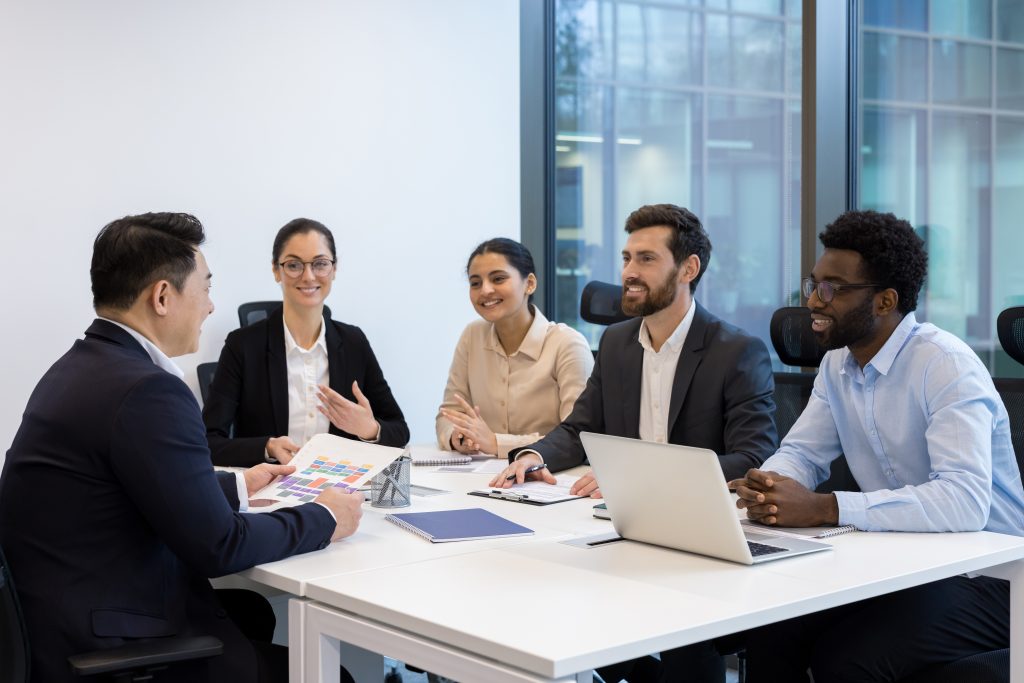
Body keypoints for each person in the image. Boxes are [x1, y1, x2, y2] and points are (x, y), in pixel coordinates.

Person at [0, 212, 364, 683]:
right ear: (163, 297)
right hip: (102, 644)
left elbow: (131, 482)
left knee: (251, 612)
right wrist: (327, 517)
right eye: (206, 288)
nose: (212, 307)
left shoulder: (81, 365)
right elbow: (221, 546)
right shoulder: (147, 391)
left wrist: (239, 485)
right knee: (334, 675)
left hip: (57, 619)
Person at [732, 210, 1024, 682]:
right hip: (899, 564)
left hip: (994, 578)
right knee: (773, 629)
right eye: (813, 283)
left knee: (849, 659)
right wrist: (768, 485)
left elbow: (964, 502)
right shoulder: (836, 366)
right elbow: (803, 453)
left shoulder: (944, 364)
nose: (813, 300)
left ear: (885, 300)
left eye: (831, 288)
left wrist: (826, 508)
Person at [494, 203, 778, 682]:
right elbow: (580, 427)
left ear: (689, 268)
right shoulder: (619, 342)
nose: (629, 272)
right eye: (627, 258)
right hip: (626, 529)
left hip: (699, 540)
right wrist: (532, 455)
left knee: (678, 645)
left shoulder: (736, 351)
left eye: (646, 259)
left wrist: (642, 481)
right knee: (544, 596)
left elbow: (753, 457)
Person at [203, 218, 409, 467]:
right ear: (276, 270)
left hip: (339, 489)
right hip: (272, 489)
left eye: (320, 264)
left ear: (334, 268)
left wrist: (369, 429)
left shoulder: (354, 342)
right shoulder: (243, 346)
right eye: (294, 265)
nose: (309, 276)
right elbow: (208, 440)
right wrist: (266, 447)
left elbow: (400, 430)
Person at [435, 237, 594, 458]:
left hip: (552, 477)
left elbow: (577, 437)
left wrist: (495, 443)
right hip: (481, 475)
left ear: (529, 283)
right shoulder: (472, 335)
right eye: (475, 283)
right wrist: (459, 436)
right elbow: (448, 414)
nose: (485, 290)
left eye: (498, 279)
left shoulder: (567, 344)